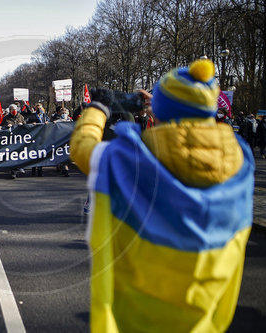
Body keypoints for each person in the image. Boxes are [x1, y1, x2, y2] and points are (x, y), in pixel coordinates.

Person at [70, 59, 254, 333]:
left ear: (160, 110)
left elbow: (82, 147)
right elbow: (192, 117)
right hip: (206, 313)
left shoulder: (129, 157)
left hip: (139, 313)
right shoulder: (240, 156)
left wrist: (98, 109)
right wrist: (165, 102)